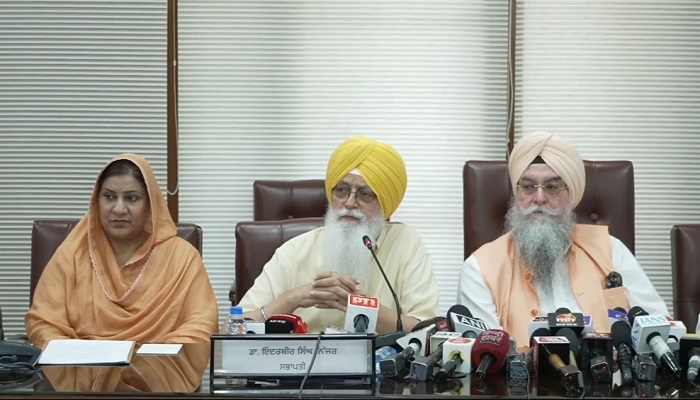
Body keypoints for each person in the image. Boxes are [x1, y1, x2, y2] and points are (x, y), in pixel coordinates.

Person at [457, 131, 668, 347]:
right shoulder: (480, 269)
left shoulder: (610, 250)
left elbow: (659, 328)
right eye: (528, 186)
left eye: (552, 187)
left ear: (571, 194)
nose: (539, 198)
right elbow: (487, 354)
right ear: (516, 193)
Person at [238, 136, 439, 333]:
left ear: (385, 203)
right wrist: (294, 298)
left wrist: (360, 305)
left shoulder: (405, 243)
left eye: (365, 194)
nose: (350, 203)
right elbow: (232, 330)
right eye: (341, 190)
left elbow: (427, 330)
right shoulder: (294, 251)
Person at [25, 154, 219, 349]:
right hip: (80, 365)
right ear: (96, 202)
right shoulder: (73, 254)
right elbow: (44, 322)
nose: (119, 209)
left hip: (157, 365)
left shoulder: (181, 257)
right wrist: (77, 356)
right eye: (109, 197)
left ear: (150, 205)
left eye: (131, 198)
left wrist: (153, 360)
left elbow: (200, 325)